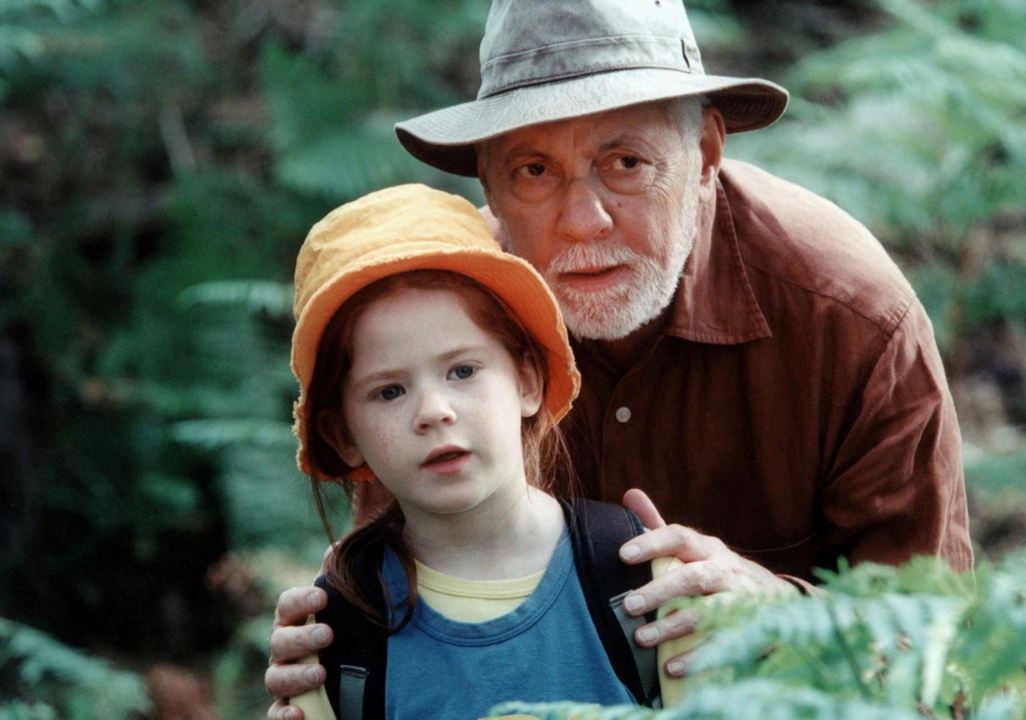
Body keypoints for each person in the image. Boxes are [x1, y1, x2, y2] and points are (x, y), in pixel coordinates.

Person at [266, 1, 973, 717]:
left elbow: (942, 652)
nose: (583, 219)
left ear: (705, 154)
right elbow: (401, 580)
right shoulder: (446, 315)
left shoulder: (850, 318)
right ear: (489, 185)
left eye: (625, 162)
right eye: (535, 170)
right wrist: (339, 660)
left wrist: (779, 614)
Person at [284, 184, 693, 719]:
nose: (434, 411)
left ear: (526, 381)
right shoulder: (338, 629)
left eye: (462, 371)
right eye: (389, 391)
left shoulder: (640, 577)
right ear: (343, 434)